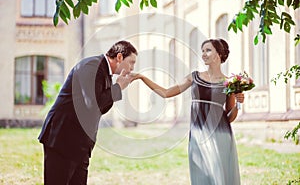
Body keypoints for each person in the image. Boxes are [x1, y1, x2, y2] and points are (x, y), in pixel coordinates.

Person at [132, 38, 244, 185]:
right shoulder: (194, 77)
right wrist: (142, 77)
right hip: (198, 135)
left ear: (219, 54)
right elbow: (166, 93)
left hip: (220, 135)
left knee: (219, 176)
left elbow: (229, 117)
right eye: (202, 50)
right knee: (202, 176)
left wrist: (238, 105)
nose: (203, 54)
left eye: (208, 50)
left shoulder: (229, 83)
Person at [38, 40, 137, 185]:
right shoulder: (92, 66)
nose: (132, 68)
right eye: (131, 62)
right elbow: (93, 104)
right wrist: (118, 87)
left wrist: (116, 87)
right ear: (120, 57)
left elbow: (101, 109)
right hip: (62, 139)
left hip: (80, 145)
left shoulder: (106, 73)